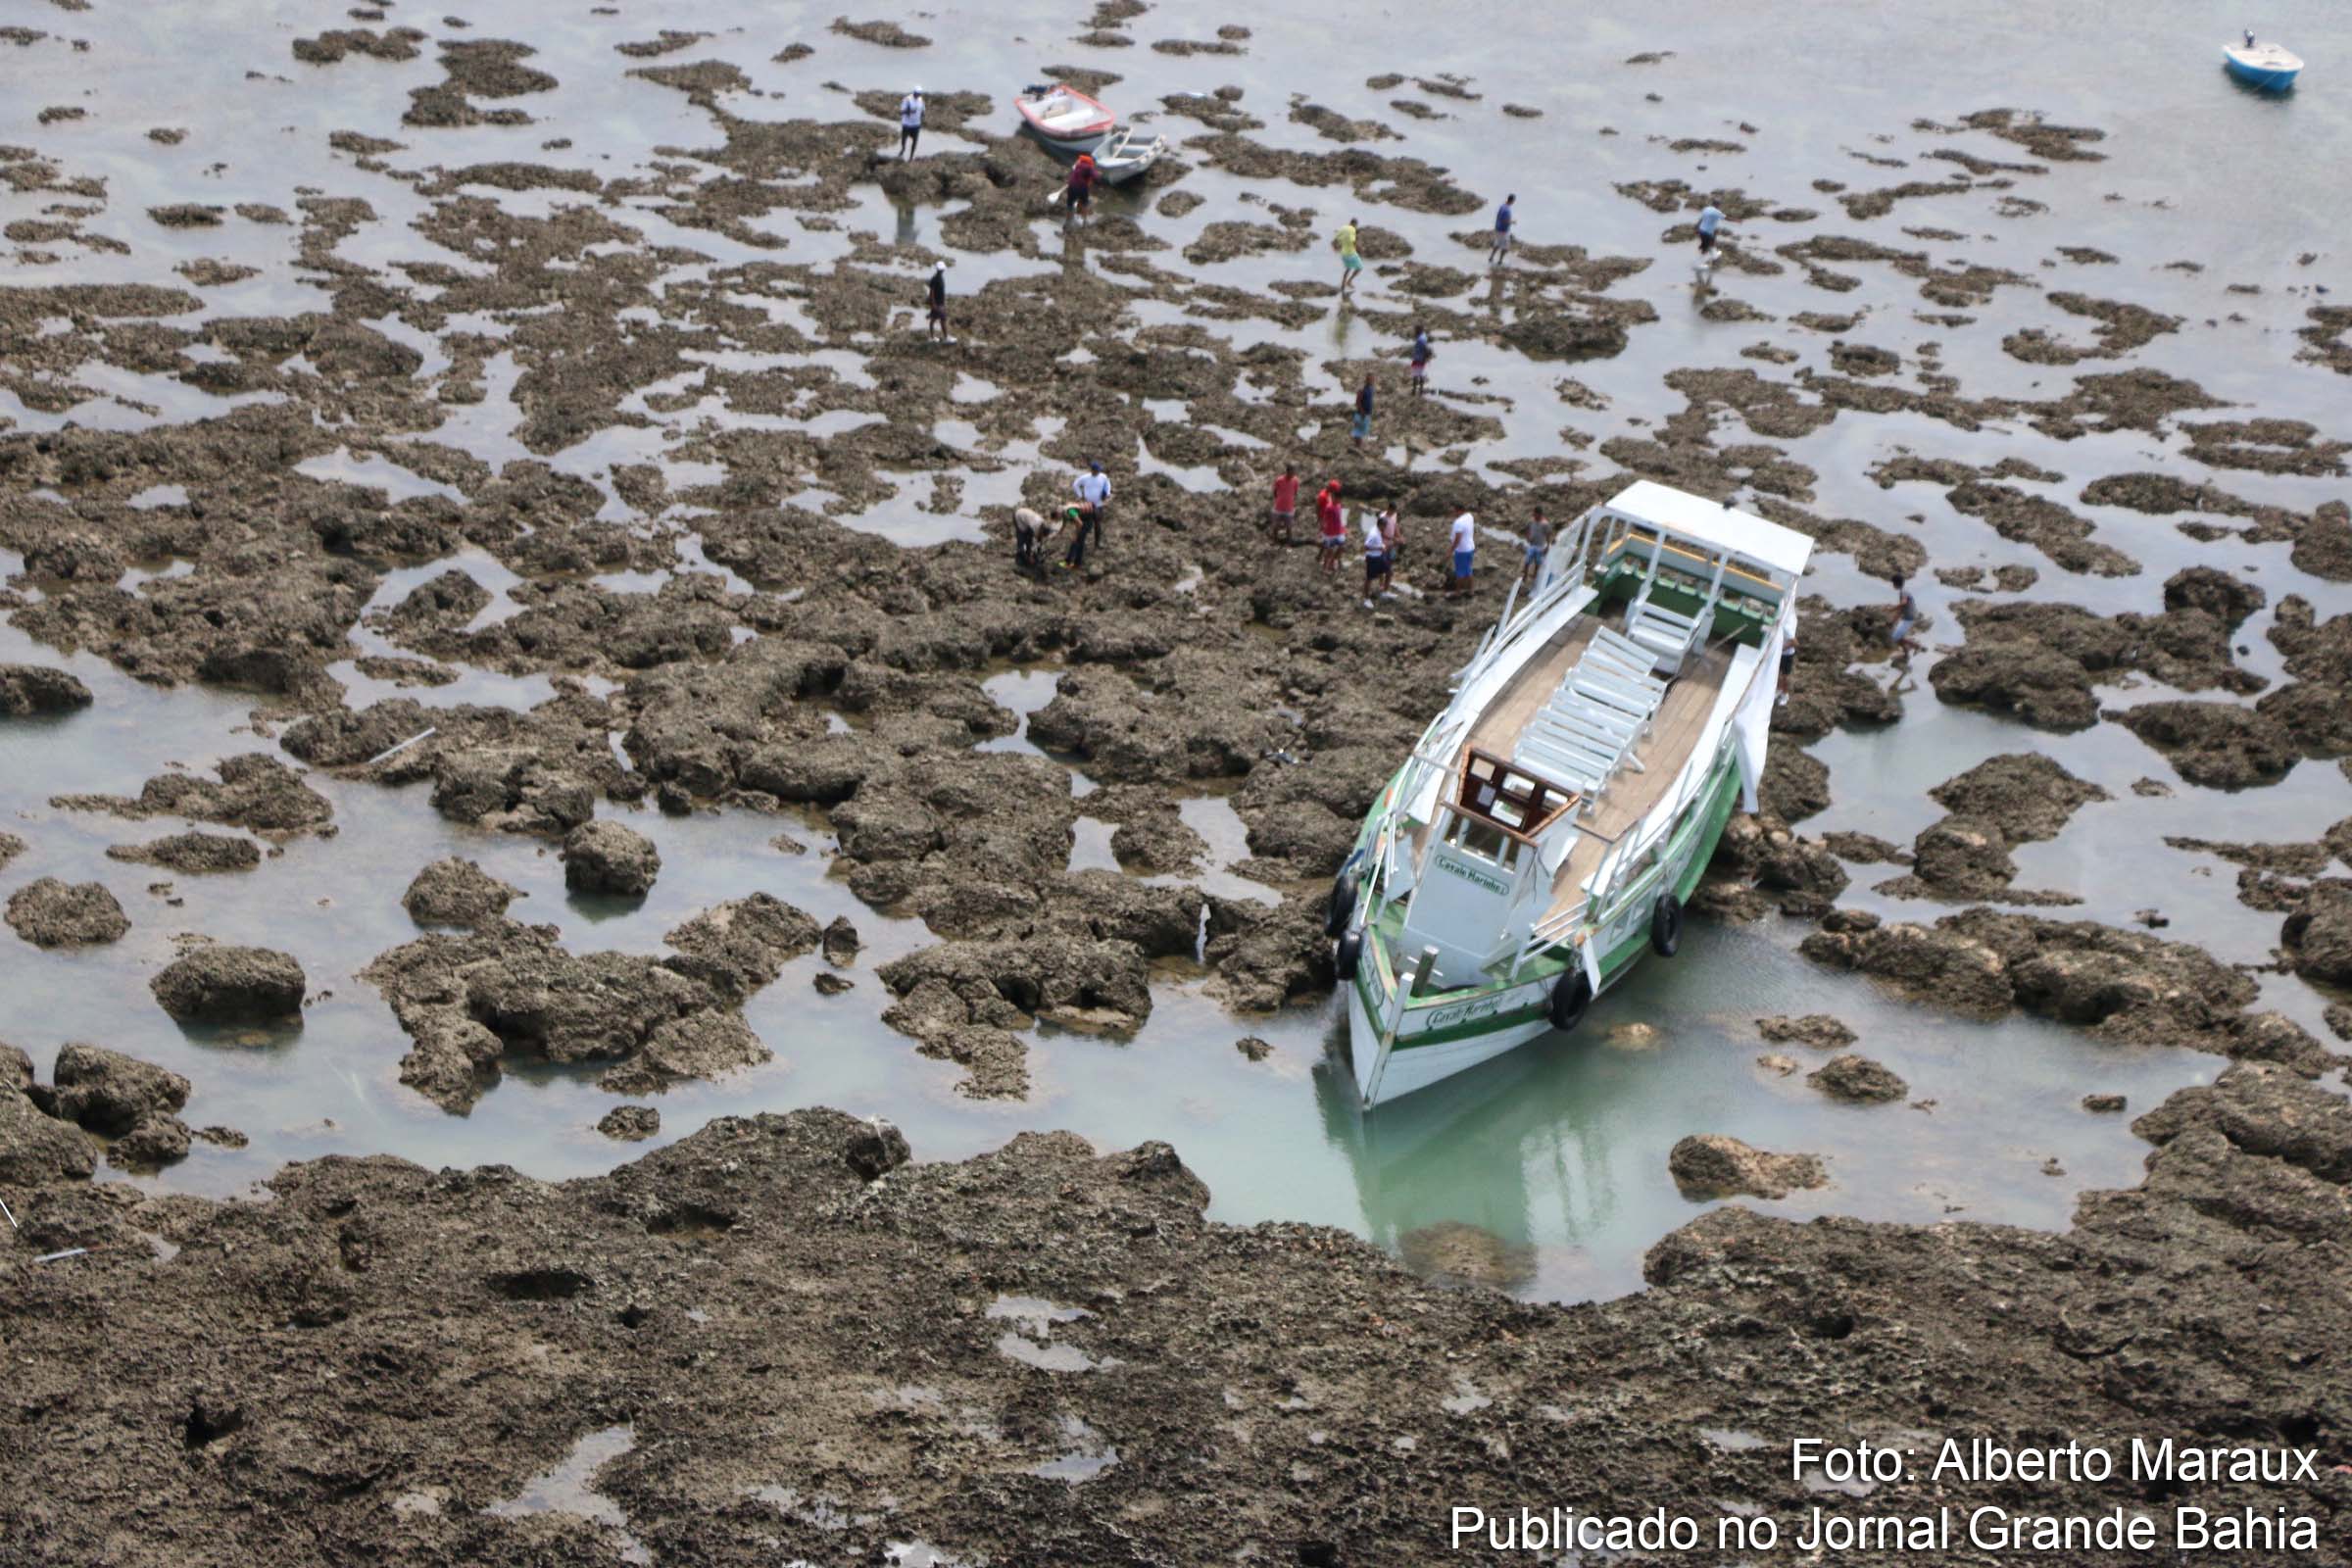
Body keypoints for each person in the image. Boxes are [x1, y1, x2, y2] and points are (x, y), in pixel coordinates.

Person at [1072, 460, 1111, 553]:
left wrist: (1107, 493)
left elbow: (1108, 484)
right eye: (1097, 470)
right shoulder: (1085, 478)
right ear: (1092, 470)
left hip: (1099, 505)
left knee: (1098, 524)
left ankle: (1097, 544)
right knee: (1084, 525)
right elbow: (1075, 485)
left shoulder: (1103, 477)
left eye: (1099, 470)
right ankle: (1080, 542)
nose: (1098, 472)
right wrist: (1080, 496)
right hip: (1087, 505)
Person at [1360, 504, 1389, 609]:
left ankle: (1382, 591)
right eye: (1385, 526)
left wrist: (1381, 546)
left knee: (1384, 572)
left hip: (1379, 556)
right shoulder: (1373, 534)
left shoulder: (1378, 530)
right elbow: (1366, 547)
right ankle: (1366, 598)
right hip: (1372, 558)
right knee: (1369, 578)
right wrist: (1379, 548)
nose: (1385, 528)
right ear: (1381, 525)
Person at [1316, 481, 1345, 574]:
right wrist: (1321, 525)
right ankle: (1325, 567)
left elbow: (1340, 517)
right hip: (1329, 532)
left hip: (1338, 531)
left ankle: (1332, 562)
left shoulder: (1338, 505)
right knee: (1329, 551)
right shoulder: (1327, 504)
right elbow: (1320, 512)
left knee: (1340, 546)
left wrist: (1343, 528)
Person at [1889, 576, 1922, 656]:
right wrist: (1892, 622)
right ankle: (1906, 653)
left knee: (1895, 638)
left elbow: (1903, 603)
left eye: (1892, 583)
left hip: (1909, 618)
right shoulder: (1903, 592)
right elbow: (1901, 610)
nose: (1892, 585)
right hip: (1906, 618)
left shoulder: (1904, 592)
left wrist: (1892, 609)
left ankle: (1917, 646)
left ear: (1895, 584)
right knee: (1899, 637)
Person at [1064, 152, 1099, 226]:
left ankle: (1068, 222)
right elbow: (1095, 177)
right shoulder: (1089, 167)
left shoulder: (1077, 165)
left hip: (1071, 186)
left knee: (1070, 204)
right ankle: (1084, 221)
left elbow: (1073, 174)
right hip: (1082, 187)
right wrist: (1098, 174)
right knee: (1084, 203)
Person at [1270, 463, 1300, 544]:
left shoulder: (1295, 481)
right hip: (1278, 507)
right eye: (1292, 471)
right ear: (1287, 471)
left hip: (1289, 508)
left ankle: (1289, 541)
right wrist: (1279, 499)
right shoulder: (1279, 480)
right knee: (1275, 526)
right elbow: (1275, 492)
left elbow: (1296, 492)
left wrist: (1291, 500)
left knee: (1289, 527)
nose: (1293, 473)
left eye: (1294, 472)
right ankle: (1274, 540)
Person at [1448, 510, 1476, 595]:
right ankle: (1471, 590)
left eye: (1454, 510)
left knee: (1459, 572)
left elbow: (1457, 539)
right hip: (1470, 548)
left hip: (1462, 550)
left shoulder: (1458, 523)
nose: (1453, 513)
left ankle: (1458, 591)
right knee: (1468, 569)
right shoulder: (1469, 516)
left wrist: (1450, 551)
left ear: (1458, 510)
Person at [1522, 508, 1550, 588]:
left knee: (1537, 563)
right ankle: (1524, 577)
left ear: (1540, 514)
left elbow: (1548, 534)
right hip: (1532, 545)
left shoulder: (1545, 524)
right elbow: (1526, 528)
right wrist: (1527, 537)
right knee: (1527, 561)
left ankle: (1534, 578)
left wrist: (1547, 546)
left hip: (1540, 546)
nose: (1534, 515)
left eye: (1535, 514)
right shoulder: (1531, 521)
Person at [1012, 505, 1045, 571]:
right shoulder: (1034, 526)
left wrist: (1039, 548)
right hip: (1018, 517)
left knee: (1029, 540)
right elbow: (1034, 540)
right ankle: (1021, 559)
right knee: (1022, 541)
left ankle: (1029, 556)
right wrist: (1030, 557)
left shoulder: (1041, 523)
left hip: (1025, 517)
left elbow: (1038, 540)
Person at [1335, 216, 1362, 295]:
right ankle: (1349, 281)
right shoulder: (1352, 230)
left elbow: (1337, 237)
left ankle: (1343, 285)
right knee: (1359, 268)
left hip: (1343, 252)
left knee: (1348, 269)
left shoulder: (1344, 228)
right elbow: (1353, 241)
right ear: (1355, 224)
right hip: (1351, 252)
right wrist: (1359, 248)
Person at [1378, 506, 1400, 594]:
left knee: (1390, 563)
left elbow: (1396, 526)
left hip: (1391, 545)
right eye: (1392, 511)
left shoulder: (1394, 516)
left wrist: (1399, 537)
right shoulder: (1382, 517)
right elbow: (1380, 532)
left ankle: (1385, 586)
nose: (1393, 513)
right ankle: (1381, 584)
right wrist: (1392, 538)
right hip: (1383, 545)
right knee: (1383, 566)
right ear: (1389, 509)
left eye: (1394, 512)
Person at [923, 262, 949, 341]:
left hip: (940, 303)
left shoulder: (940, 277)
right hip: (937, 304)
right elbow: (932, 292)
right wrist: (933, 304)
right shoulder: (935, 279)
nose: (942, 271)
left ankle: (932, 337)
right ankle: (946, 338)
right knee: (943, 319)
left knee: (933, 319)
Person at [1488, 193, 1516, 266]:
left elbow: (1498, 216)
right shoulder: (1507, 210)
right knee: (1506, 247)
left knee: (1497, 243)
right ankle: (1500, 260)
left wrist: (1496, 225)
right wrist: (1513, 222)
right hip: (1504, 230)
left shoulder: (1502, 206)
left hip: (1498, 228)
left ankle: (1491, 257)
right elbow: (1506, 221)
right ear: (1512, 201)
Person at [898, 88, 925, 160]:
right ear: (914, 93)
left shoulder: (921, 100)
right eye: (916, 94)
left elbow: (923, 111)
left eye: (919, 94)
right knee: (904, 139)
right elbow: (901, 112)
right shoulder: (907, 99)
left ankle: (911, 156)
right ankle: (903, 149)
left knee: (915, 141)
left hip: (916, 124)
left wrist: (922, 116)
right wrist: (909, 111)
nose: (917, 95)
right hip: (907, 124)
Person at [1350, 372, 1375, 448]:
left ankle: (1360, 445)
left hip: (1367, 413)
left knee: (1364, 429)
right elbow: (1358, 402)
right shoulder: (1362, 389)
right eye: (1369, 379)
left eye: (1372, 379)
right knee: (1358, 430)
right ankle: (1357, 445)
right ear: (1366, 380)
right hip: (1361, 414)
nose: (1371, 381)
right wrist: (1362, 412)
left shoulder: (1371, 389)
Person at [1409, 323, 1432, 397]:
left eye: (1415, 330)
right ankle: (1420, 391)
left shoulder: (1420, 339)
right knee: (1420, 374)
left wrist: (1424, 356)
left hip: (1419, 358)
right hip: (1420, 358)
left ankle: (1415, 391)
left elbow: (1425, 348)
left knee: (1416, 374)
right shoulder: (1422, 337)